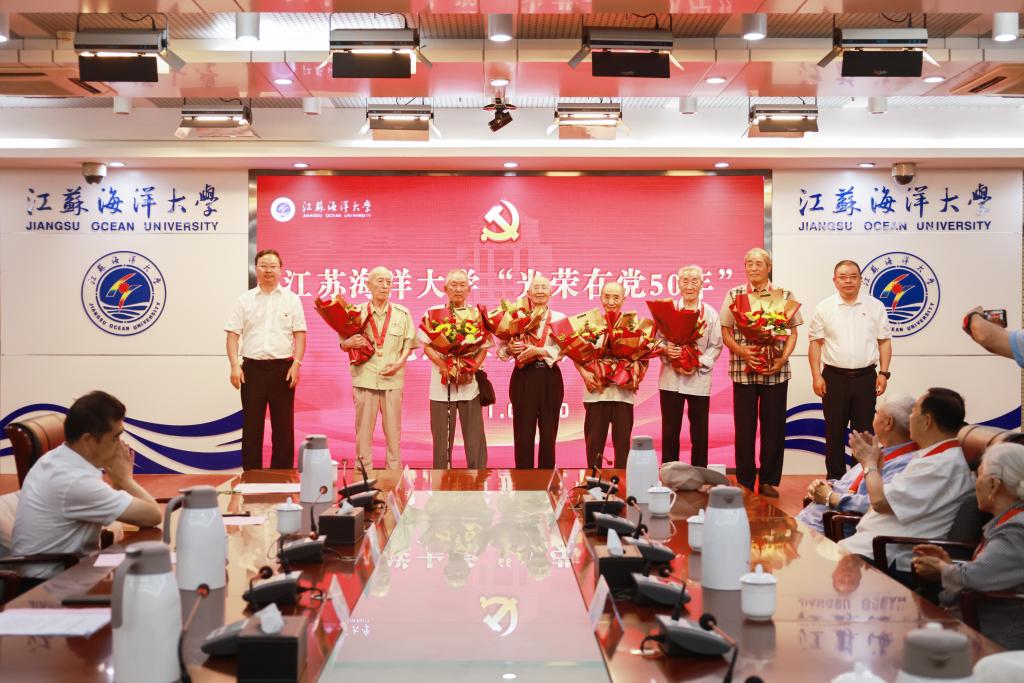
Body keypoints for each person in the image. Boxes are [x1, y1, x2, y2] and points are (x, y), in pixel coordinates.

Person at [12, 391, 162, 578]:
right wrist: (125, 480)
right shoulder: (74, 482)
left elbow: (108, 505)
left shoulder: (57, 459)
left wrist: (118, 481)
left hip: (70, 570)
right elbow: (153, 515)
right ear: (88, 440)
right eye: (115, 437)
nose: (120, 444)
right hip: (49, 585)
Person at [839, 387, 974, 581]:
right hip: (867, 546)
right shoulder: (934, 459)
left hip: (885, 556)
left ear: (927, 421)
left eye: (914, 412)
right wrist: (876, 465)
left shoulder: (941, 466)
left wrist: (869, 463)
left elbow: (880, 502)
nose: (909, 418)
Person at [912, 442, 1024, 650]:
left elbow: (977, 578)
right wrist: (948, 565)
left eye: (978, 475)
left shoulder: (1017, 529)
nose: (974, 482)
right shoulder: (1010, 521)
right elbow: (991, 571)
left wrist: (942, 569)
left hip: (993, 639)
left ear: (993, 485)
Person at [719, 247, 804, 497]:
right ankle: (745, 480)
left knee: (774, 429)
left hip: (775, 371)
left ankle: (768, 480)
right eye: (749, 264)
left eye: (759, 264)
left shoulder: (784, 295)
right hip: (743, 371)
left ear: (769, 267)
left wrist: (782, 358)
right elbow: (725, 331)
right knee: (744, 429)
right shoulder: (734, 294)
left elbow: (793, 332)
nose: (753, 268)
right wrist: (743, 352)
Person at [808, 260, 893, 480]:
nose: (848, 281)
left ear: (860, 279)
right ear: (834, 280)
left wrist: (884, 373)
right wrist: (816, 376)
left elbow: (884, 341)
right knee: (834, 431)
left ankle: (860, 480)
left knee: (863, 433)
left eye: (853, 276)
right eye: (843, 277)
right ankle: (835, 480)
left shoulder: (875, 306)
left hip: (866, 378)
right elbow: (815, 343)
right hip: (833, 378)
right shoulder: (824, 307)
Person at [225, 248, 307, 469]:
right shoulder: (244, 300)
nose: (268, 270)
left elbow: (300, 335)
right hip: (252, 370)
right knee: (252, 426)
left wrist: (296, 364)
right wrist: (235, 366)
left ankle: (282, 475)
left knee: (283, 427)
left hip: (283, 369)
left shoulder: (291, 299)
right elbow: (232, 335)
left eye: (273, 266)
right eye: (263, 266)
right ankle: (251, 474)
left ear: (280, 270)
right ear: (256, 269)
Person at [797, 393, 916, 535]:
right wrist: (827, 485)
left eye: (876, 413)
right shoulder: (878, 452)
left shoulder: (905, 463)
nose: (873, 417)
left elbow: (877, 503)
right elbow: (849, 486)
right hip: (807, 523)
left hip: (826, 531)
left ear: (888, 422)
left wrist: (831, 497)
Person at [339, 266, 416, 470]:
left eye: (388, 282)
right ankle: (363, 474)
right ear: (368, 285)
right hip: (365, 378)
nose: (385, 286)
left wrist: (399, 364)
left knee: (393, 432)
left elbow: (409, 344)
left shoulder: (402, 313)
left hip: (392, 380)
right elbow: (343, 344)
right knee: (363, 432)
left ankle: (394, 473)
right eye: (380, 281)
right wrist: (348, 343)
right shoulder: (355, 313)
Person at [419, 269, 489, 469]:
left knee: (474, 436)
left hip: (470, 385)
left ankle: (478, 477)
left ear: (469, 289)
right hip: (442, 385)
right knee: (441, 437)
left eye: (462, 285)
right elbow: (426, 345)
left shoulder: (477, 314)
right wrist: (443, 365)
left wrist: (472, 367)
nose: (458, 289)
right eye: (453, 285)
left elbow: (484, 347)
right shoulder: (433, 313)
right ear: (445, 288)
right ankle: (441, 478)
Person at [659, 265, 723, 467]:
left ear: (701, 284)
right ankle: (670, 474)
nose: (689, 286)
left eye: (694, 281)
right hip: (670, 380)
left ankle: (699, 474)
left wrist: (697, 363)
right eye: (685, 281)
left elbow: (716, 346)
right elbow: (656, 341)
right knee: (670, 431)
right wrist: (668, 351)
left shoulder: (710, 313)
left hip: (699, 379)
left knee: (699, 433)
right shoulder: (667, 311)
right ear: (678, 284)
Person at [500, 275, 565, 469]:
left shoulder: (560, 318)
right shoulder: (515, 317)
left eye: (544, 287)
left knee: (549, 431)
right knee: (523, 431)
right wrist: (510, 349)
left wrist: (539, 351)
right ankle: (523, 478)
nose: (540, 291)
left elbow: (565, 349)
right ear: (528, 293)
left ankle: (547, 478)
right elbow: (502, 350)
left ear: (551, 292)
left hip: (549, 376)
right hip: (523, 376)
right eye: (536, 287)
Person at [575, 282, 637, 468]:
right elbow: (575, 354)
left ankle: (623, 482)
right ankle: (593, 483)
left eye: (616, 297)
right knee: (594, 446)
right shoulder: (589, 325)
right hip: (596, 394)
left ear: (624, 300)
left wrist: (635, 377)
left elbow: (642, 357)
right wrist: (584, 374)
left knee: (623, 448)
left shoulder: (633, 326)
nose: (611, 301)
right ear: (601, 297)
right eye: (607, 297)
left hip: (623, 395)